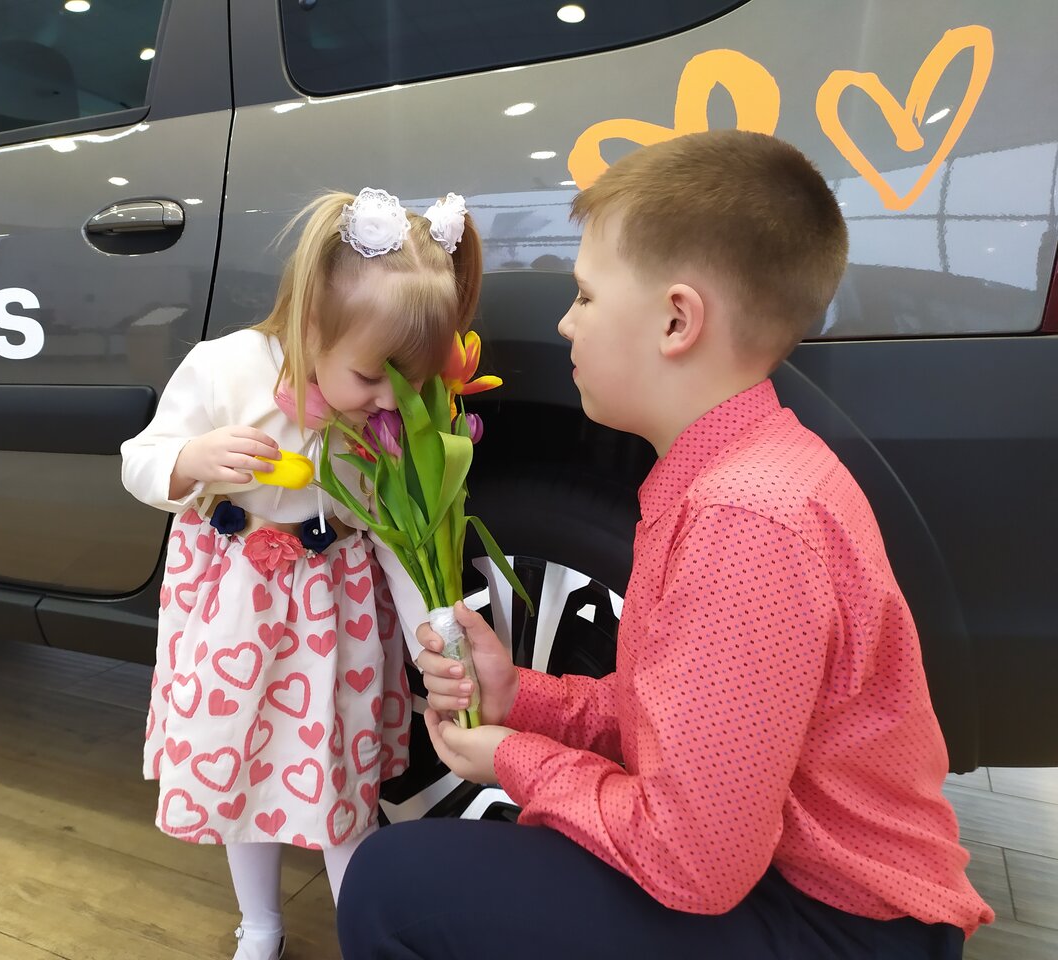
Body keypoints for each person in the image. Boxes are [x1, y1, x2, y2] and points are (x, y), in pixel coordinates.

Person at [337, 131, 994, 959]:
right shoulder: (744, 469)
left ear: (677, 319)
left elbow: (692, 861)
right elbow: (680, 723)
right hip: (791, 877)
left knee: (391, 886)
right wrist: (520, 699)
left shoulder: (745, 520)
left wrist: (514, 761)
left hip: (841, 922)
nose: (564, 322)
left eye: (584, 295)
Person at [121, 187, 481, 960]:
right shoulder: (223, 369)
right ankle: (260, 924)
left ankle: (364, 930)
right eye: (373, 376)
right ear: (313, 324)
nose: (389, 401)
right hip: (235, 607)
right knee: (239, 771)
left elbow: (400, 536)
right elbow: (139, 461)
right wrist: (191, 459)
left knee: (339, 783)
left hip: (332, 618)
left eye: (410, 382)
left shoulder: (385, 423)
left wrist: (435, 629)